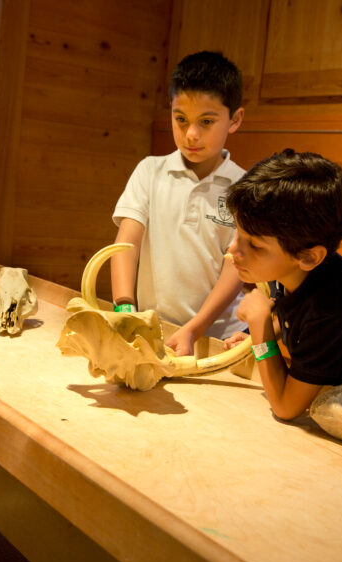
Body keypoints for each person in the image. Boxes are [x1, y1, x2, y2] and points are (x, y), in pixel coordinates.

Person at [224, 149, 342, 421]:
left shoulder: (336, 310)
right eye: (238, 234)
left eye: (254, 245)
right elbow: (294, 311)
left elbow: (285, 407)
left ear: (309, 257)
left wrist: (261, 328)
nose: (232, 251)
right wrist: (263, 333)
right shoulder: (291, 267)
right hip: (329, 404)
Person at [111, 51, 247, 357]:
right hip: (153, 328)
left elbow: (236, 266)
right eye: (181, 119)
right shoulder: (150, 171)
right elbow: (126, 245)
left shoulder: (246, 187)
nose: (191, 134)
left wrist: (195, 328)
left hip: (218, 340)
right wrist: (124, 305)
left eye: (206, 121)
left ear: (234, 120)